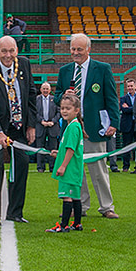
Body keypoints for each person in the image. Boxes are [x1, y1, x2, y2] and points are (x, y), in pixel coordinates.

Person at [55, 33, 119, 218]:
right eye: (73, 49)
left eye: (79, 49)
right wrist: (63, 96)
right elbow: (57, 96)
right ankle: (80, 206)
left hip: (95, 128)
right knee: (75, 169)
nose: (76, 53)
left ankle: (107, 207)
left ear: (88, 49)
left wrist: (114, 122)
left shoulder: (102, 69)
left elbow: (111, 97)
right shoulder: (65, 71)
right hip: (72, 128)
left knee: (98, 168)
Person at [0, 36, 38, 226]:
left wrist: (31, 125)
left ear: (17, 51)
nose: (8, 55)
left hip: (18, 126)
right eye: (4, 51)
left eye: (11, 51)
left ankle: (15, 212)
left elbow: (31, 94)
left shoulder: (24, 65)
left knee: (22, 163)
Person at [45, 93, 85, 232]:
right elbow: (68, 148)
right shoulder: (75, 125)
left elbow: (71, 149)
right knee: (75, 196)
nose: (64, 111)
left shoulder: (73, 127)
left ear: (76, 110)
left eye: (68, 108)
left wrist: (62, 166)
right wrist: (58, 153)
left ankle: (63, 226)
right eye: (62, 108)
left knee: (66, 197)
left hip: (69, 169)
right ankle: (77, 224)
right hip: (75, 168)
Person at [34, 82, 60, 173]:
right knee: (40, 148)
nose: (45, 90)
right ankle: (40, 167)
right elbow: (34, 112)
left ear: (50, 90)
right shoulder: (36, 99)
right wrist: (42, 121)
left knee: (53, 148)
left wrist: (52, 121)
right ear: (41, 90)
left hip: (52, 127)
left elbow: (59, 112)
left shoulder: (55, 100)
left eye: (47, 89)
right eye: (43, 89)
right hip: (40, 126)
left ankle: (52, 167)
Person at [115, 78, 136, 172]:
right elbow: (124, 110)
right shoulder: (123, 98)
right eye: (128, 86)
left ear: (135, 86)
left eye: (131, 86)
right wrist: (134, 109)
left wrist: (130, 108)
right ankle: (125, 166)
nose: (130, 88)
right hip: (127, 125)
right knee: (126, 146)